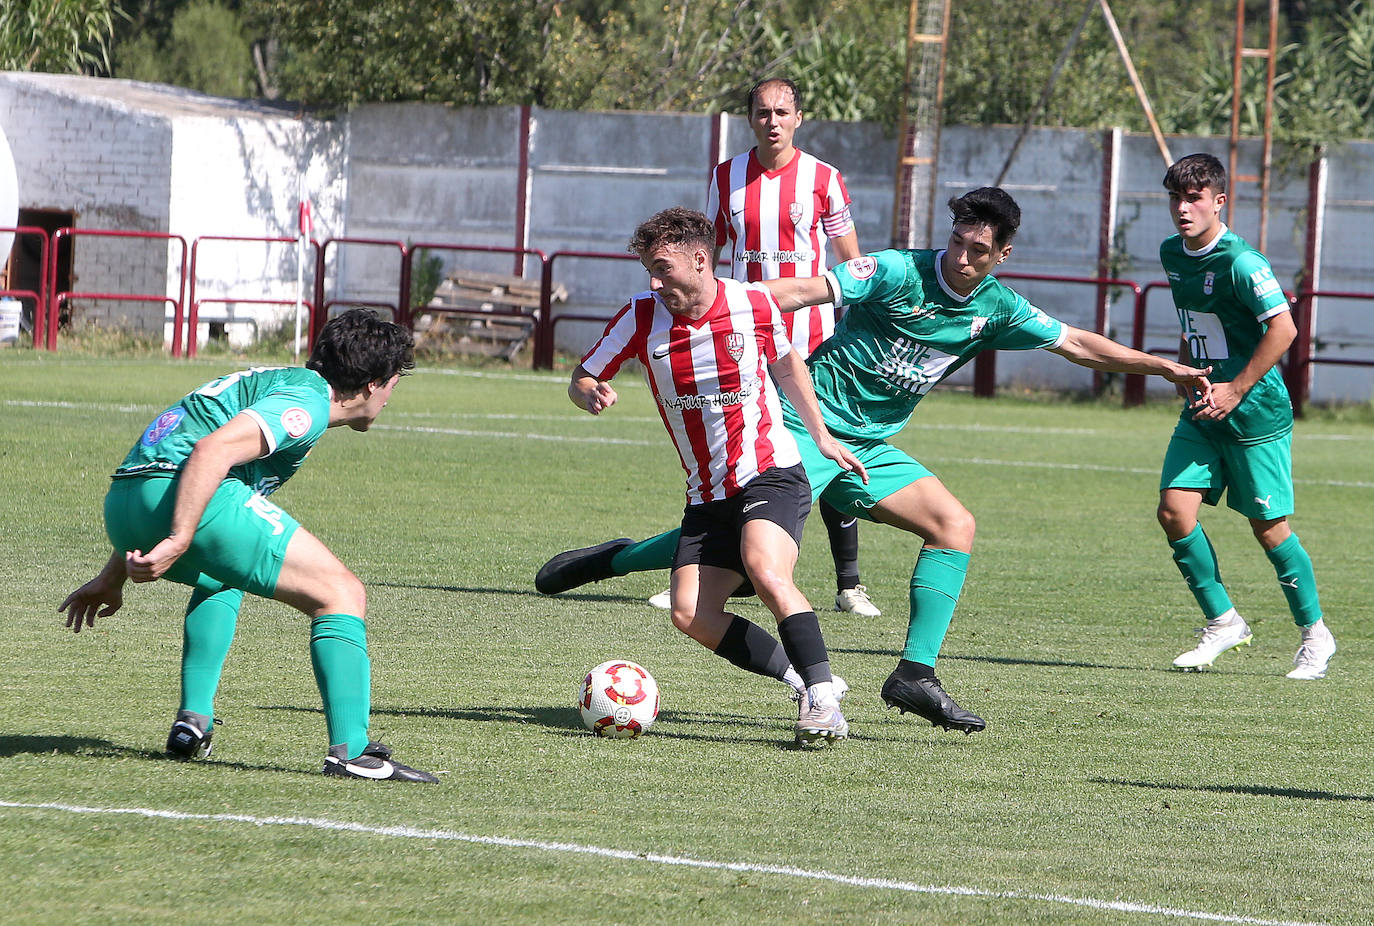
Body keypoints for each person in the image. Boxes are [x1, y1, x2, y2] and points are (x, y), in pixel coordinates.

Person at [538, 187, 1214, 734]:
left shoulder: (998, 309)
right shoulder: (895, 271)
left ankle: (914, 673)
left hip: (870, 447)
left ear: (1002, 255)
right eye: (956, 242)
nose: (962, 258)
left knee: (955, 526)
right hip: (809, 427)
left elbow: (1077, 344)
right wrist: (729, 309)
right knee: (752, 557)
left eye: (979, 251)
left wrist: (1161, 367)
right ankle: (632, 566)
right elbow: (806, 291)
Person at [57, 308, 437, 782]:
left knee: (221, 576)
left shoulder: (282, 381)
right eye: (395, 383)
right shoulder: (309, 403)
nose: (391, 397)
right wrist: (179, 537)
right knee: (341, 593)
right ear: (373, 383)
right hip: (178, 492)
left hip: (126, 503)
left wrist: (112, 575)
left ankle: (193, 721)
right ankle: (352, 752)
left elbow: (167, 464)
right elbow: (212, 450)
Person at [568, 206, 867, 745]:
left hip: (770, 472)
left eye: (663, 268)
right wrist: (590, 392)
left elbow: (787, 365)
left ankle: (824, 702)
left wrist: (821, 438)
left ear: (701, 260)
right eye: (648, 272)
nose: (655, 283)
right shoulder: (640, 316)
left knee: (766, 567)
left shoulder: (751, 304)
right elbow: (583, 374)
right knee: (690, 612)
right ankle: (803, 678)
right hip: (706, 495)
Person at [680, 77, 878, 618]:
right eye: (763, 111)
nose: (772, 120)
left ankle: (849, 583)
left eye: (781, 111)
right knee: (737, 446)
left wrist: (855, 322)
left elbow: (852, 260)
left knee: (824, 445)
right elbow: (709, 252)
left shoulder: (825, 179)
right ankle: (709, 571)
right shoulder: (726, 178)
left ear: (798, 117)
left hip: (813, 336)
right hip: (748, 333)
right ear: (750, 119)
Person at [1156, 153, 1336, 678]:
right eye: (1176, 199)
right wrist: (1190, 371)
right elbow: (1197, 324)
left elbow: (1284, 330)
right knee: (1173, 511)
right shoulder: (1172, 253)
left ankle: (1315, 635)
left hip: (1254, 412)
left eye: (1194, 198)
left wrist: (1235, 388)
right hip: (1203, 407)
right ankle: (1224, 622)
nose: (1183, 210)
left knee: (1270, 529)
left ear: (1218, 201)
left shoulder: (1242, 262)